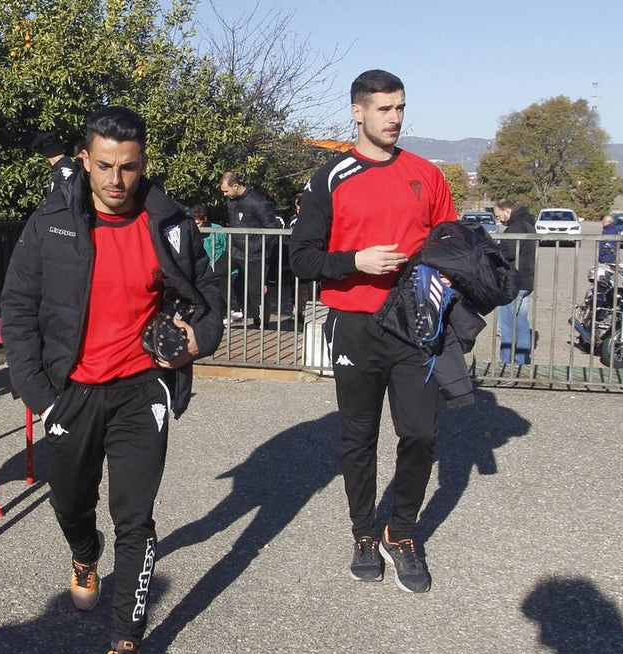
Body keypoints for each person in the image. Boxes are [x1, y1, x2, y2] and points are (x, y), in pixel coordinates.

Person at [0, 106, 224, 654]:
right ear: (84, 161)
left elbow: (209, 297)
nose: (117, 180)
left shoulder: (170, 225)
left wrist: (199, 339)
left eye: (128, 167)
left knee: (136, 518)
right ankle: (82, 552)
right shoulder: (51, 221)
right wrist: (40, 398)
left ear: (144, 162)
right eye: (104, 166)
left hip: (140, 392)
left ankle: (126, 645)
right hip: (69, 393)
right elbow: (17, 310)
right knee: (71, 502)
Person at [289, 69, 456, 593]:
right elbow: (302, 258)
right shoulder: (329, 178)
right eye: (384, 109)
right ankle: (364, 532)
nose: (395, 119)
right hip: (355, 324)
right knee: (358, 437)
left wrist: (449, 273)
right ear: (358, 112)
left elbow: (450, 245)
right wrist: (356, 260)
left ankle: (400, 532)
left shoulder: (427, 174)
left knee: (421, 434)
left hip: (415, 325)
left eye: (400, 108)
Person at [219, 171, 284, 328]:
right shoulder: (231, 200)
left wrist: (256, 246)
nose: (225, 195)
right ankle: (226, 311)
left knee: (255, 293)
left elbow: (272, 228)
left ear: (236, 186)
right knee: (215, 273)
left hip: (255, 255)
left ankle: (260, 325)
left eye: (226, 191)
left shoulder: (258, 202)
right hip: (235, 250)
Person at [494, 199, 537, 364]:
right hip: (527, 281)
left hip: (513, 282)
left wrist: (495, 249)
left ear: (507, 211)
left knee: (506, 325)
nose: (498, 220)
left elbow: (509, 252)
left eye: (499, 216)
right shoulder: (528, 223)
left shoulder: (517, 226)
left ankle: (506, 362)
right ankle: (522, 361)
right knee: (521, 324)